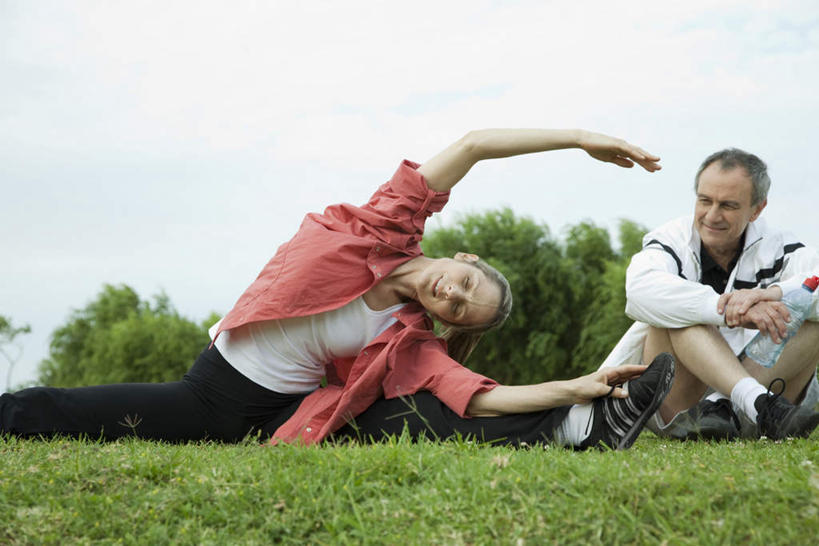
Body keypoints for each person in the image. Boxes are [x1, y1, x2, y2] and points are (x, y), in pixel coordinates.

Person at [1, 128, 671, 450]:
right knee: (64, 410)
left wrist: (580, 384)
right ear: (462, 257)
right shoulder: (382, 226)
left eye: (458, 307)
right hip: (215, 394)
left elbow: (476, 390)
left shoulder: (405, 337)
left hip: (289, 412)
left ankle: (578, 423)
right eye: (464, 283)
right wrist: (578, 139)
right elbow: (471, 146)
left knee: (437, 412)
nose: (451, 295)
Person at [598, 148, 819, 441]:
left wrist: (773, 294)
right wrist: (725, 309)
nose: (712, 216)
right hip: (680, 411)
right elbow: (639, 291)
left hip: (759, 409)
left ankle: (731, 405)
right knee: (678, 313)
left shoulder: (778, 246)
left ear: (757, 209)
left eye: (728, 205)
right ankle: (751, 400)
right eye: (705, 201)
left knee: (811, 315)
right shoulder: (672, 239)